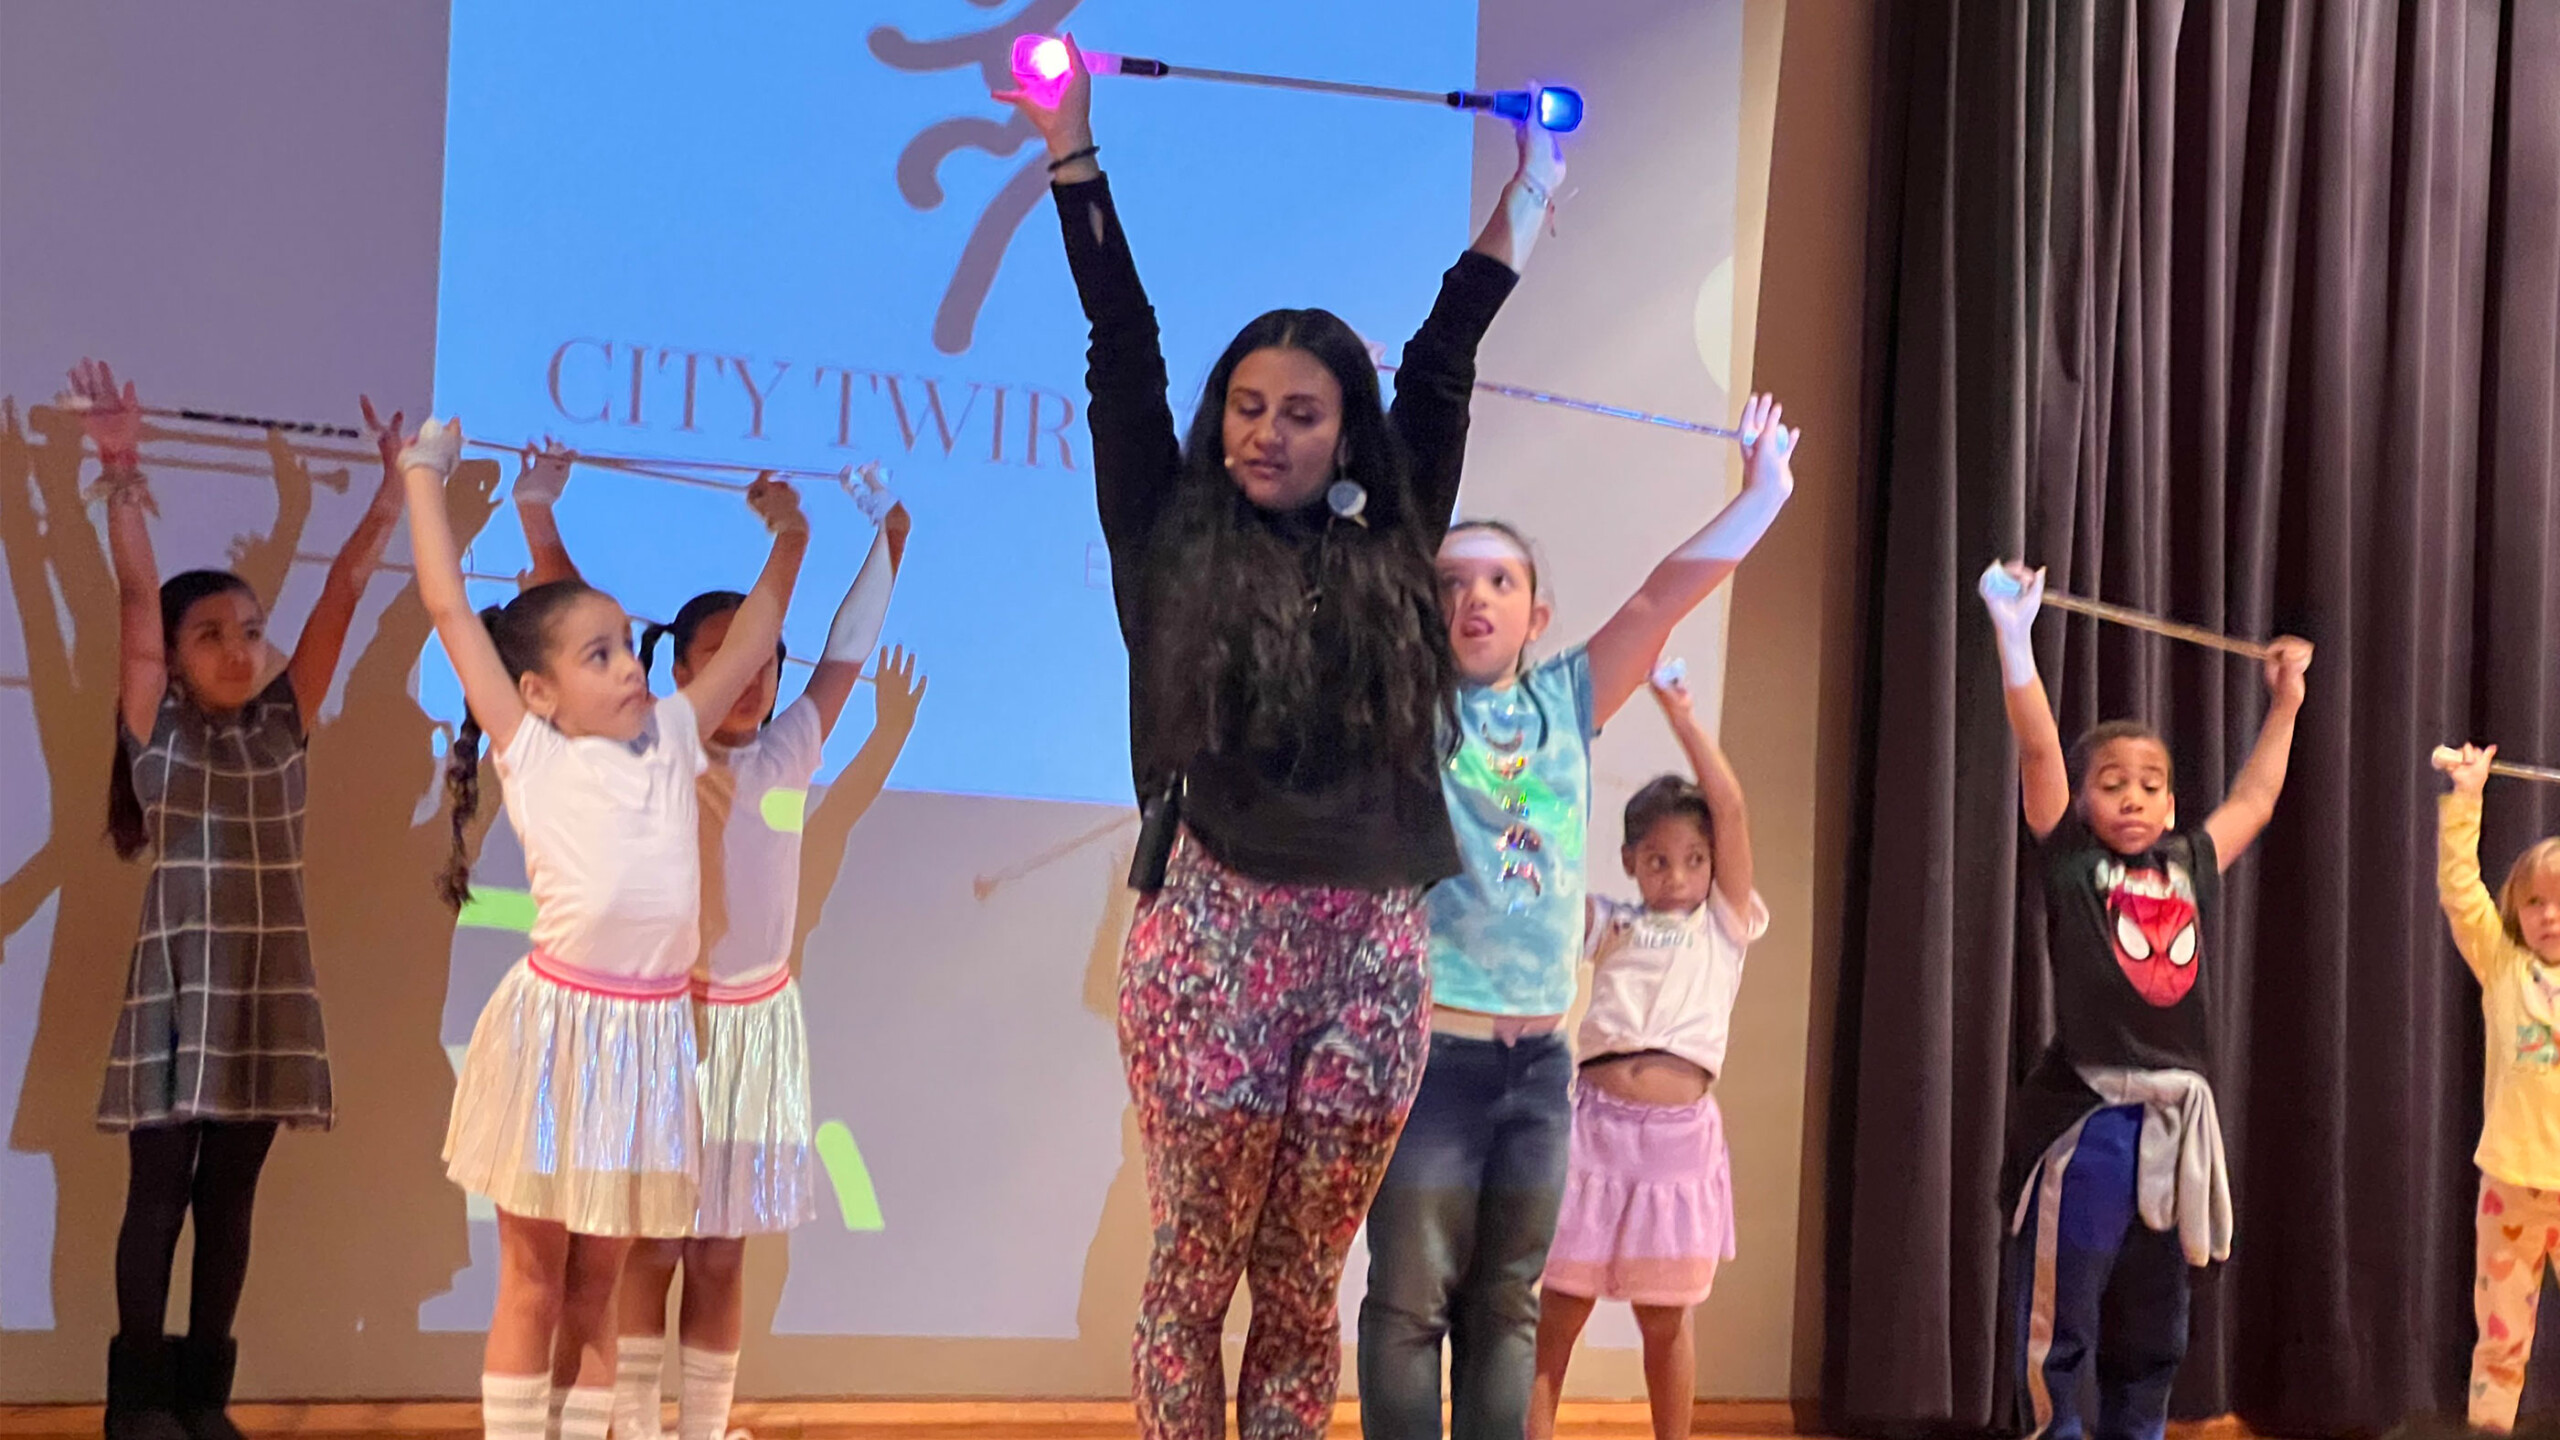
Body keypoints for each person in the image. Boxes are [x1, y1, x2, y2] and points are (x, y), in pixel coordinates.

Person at [993, 34, 1556, 1440]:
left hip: (1368, 955)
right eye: (1247, 407)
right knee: (1194, 1274)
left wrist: (1533, 189)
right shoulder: (1169, 531)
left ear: (1345, 434)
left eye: (1299, 414)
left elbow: (1444, 360)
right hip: (1210, 939)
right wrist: (1070, 148)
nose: (1265, 432)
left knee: (1302, 1291)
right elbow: (1122, 348)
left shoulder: (1394, 535)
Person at [1360, 394, 1797, 1440]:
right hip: (1435, 1056)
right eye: (1450, 583)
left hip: (1540, 1073)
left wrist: (1764, 495)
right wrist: (1365, 436)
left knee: (1507, 1308)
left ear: (1536, 616)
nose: (1473, 598)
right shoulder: (1409, 708)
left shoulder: (1564, 701)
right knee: (1410, 1304)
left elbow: (1659, 597)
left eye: (1498, 581)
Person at [397, 418, 808, 1440]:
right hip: (558, 1038)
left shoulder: (673, 735)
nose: (629, 665)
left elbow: (753, 637)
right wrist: (422, 474)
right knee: (535, 1279)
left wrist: (789, 538)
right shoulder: (532, 749)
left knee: (598, 1283)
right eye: (599, 654)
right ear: (538, 693)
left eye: (628, 646)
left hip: (650, 1047)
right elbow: (447, 605)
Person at [504, 452, 913, 1440]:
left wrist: (890, 539)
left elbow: (846, 650)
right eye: (730, 656)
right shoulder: (651, 745)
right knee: (647, 1244)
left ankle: (702, 1428)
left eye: (766, 659)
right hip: (664, 1026)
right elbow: (569, 620)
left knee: (722, 1253)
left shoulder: (792, 745)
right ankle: (634, 1426)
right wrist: (537, 513)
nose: (754, 676)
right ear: (680, 672)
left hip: (754, 1028)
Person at [78, 360, 407, 1440]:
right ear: (172, 662)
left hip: (265, 988)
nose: (239, 648)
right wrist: (122, 470)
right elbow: (136, 604)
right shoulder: (158, 730)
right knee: (159, 1196)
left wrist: (390, 495)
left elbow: (343, 595)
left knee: (230, 1200)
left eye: (250, 630)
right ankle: (138, 1404)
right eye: (211, 634)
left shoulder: (282, 723)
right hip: (182, 989)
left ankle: (202, 1400)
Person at [1977, 561, 2312, 1440]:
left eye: (2151, 783)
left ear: (2170, 804)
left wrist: (2285, 702)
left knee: (2155, 1324)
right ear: (2084, 801)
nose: (2133, 796)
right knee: (2065, 1314)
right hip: (2090, 1125)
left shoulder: (2188, 863)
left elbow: (2256, 797)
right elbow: (2038, 748)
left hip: (2174, 1129)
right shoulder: (2073, 863)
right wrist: (2014, 637)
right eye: (2112, 782)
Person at [1523, 668, 1768, 1440]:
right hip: (1594, 1131)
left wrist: (1682, 717)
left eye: (1694, 859)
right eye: (1658, 860)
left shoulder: (1724, 925)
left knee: (1665, 1321)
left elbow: (1730, 808)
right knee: (1558, 1310)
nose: (1677, 875)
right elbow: (1540, 878)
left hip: (1674, 1145)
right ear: (1630, 861)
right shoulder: (1613, 922)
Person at [2434, 743, 2560, 1432]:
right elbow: (2461, 890)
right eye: (2535, 902)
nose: (2549, 915)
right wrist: (2467, 797)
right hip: (2510, 1184)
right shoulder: (2503, 963)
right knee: (2502, 1339)